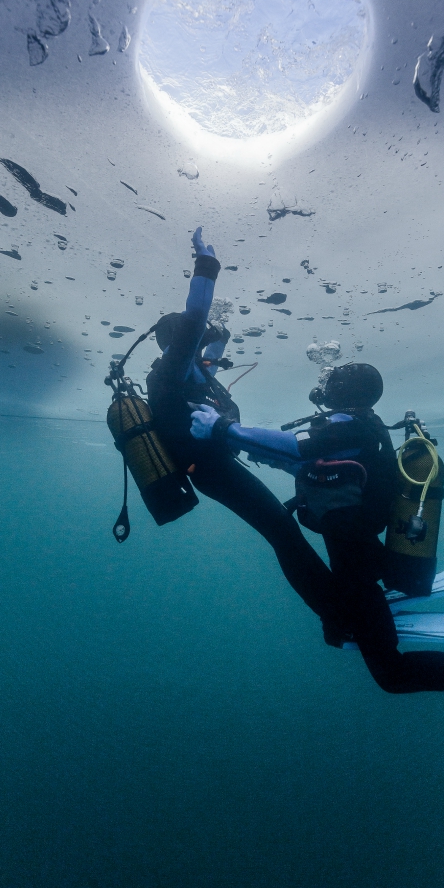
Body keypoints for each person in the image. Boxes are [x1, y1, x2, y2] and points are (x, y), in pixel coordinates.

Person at [189, 362, 444, 772]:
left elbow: (299, 448)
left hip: (358, 569)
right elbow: (306, 463)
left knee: (391, 674)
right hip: (358, 560)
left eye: (328, 380)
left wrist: (224, 429)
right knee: (341, 626)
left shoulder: (348, 428)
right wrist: (249, 443)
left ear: (342, 390)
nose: (321, 385)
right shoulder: (362, 427)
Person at [145, 227, 343, 632]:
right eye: (193, 337)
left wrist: (221, 329)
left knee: (283, 529)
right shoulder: (170, 372)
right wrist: (207, 264)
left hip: (219, 463)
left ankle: (337, 605)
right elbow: (197, 320)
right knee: (282, 532)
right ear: (179, 340)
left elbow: (214, 340)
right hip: (212, 471)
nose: (202, 342)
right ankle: (337, 616)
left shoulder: (194, 372)